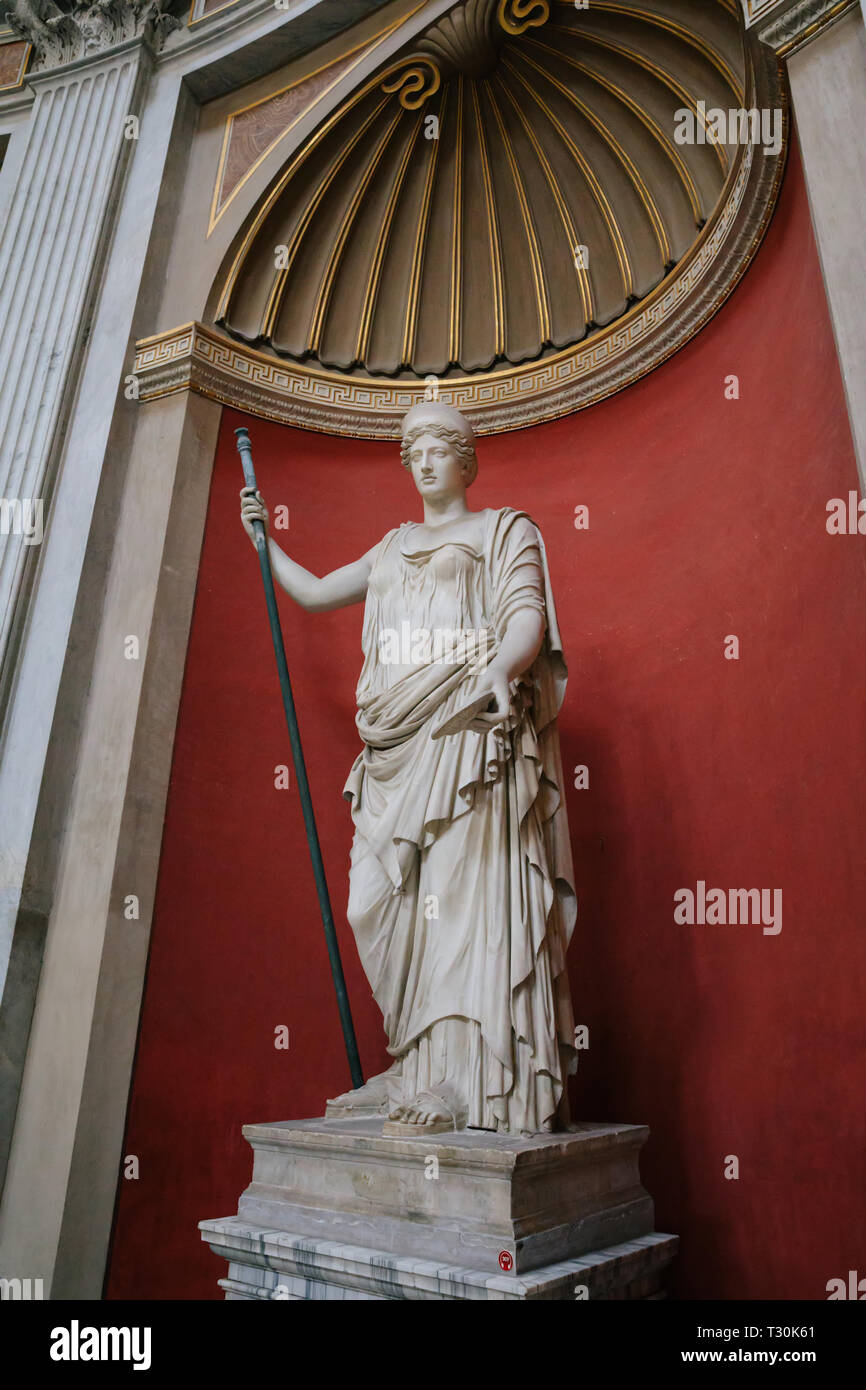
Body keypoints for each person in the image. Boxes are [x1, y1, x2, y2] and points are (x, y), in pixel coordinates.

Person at [240, 402, 577, 1134]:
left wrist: (501, 668)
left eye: (436, 449)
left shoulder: (503, 530)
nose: (422, 463)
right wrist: (265, 543)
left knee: (462, 904)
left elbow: (527, 614)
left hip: (464, 724)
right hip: (394, 745)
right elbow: (317, 592)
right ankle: (414, 1063)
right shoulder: (390, 547)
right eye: (412, 452)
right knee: (376, 901)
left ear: (466, 458)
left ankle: (467, 1079)